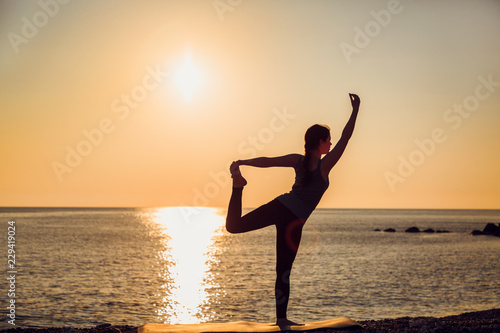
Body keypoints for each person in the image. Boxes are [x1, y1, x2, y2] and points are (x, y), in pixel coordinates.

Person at [226, 93, 360, 327]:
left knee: (233, 227)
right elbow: (346, 139)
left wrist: (243, 162)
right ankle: (281, 319)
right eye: (328, 139)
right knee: (283, 271)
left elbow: (268, 160)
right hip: (293, 221)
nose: (331, 143)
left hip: (280, 206)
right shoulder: (324, 166)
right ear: (320, 142)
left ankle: (238, 187)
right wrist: (356, 109)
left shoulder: (298, 160)